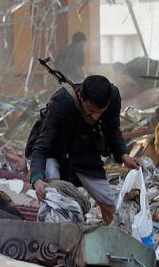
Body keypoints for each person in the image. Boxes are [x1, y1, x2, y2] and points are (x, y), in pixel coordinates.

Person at [27, 75, 141, 224]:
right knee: (56, 198)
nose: (95, 117)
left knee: (109, 204)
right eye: (91, 111)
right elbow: (42, 147)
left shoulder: (112, 96)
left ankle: (115, 240)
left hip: (84, 150)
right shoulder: (61, 103)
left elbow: (112, 130)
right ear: (80, 97)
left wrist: (124, 156)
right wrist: (37, 180)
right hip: (54, 150)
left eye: (100, 111)